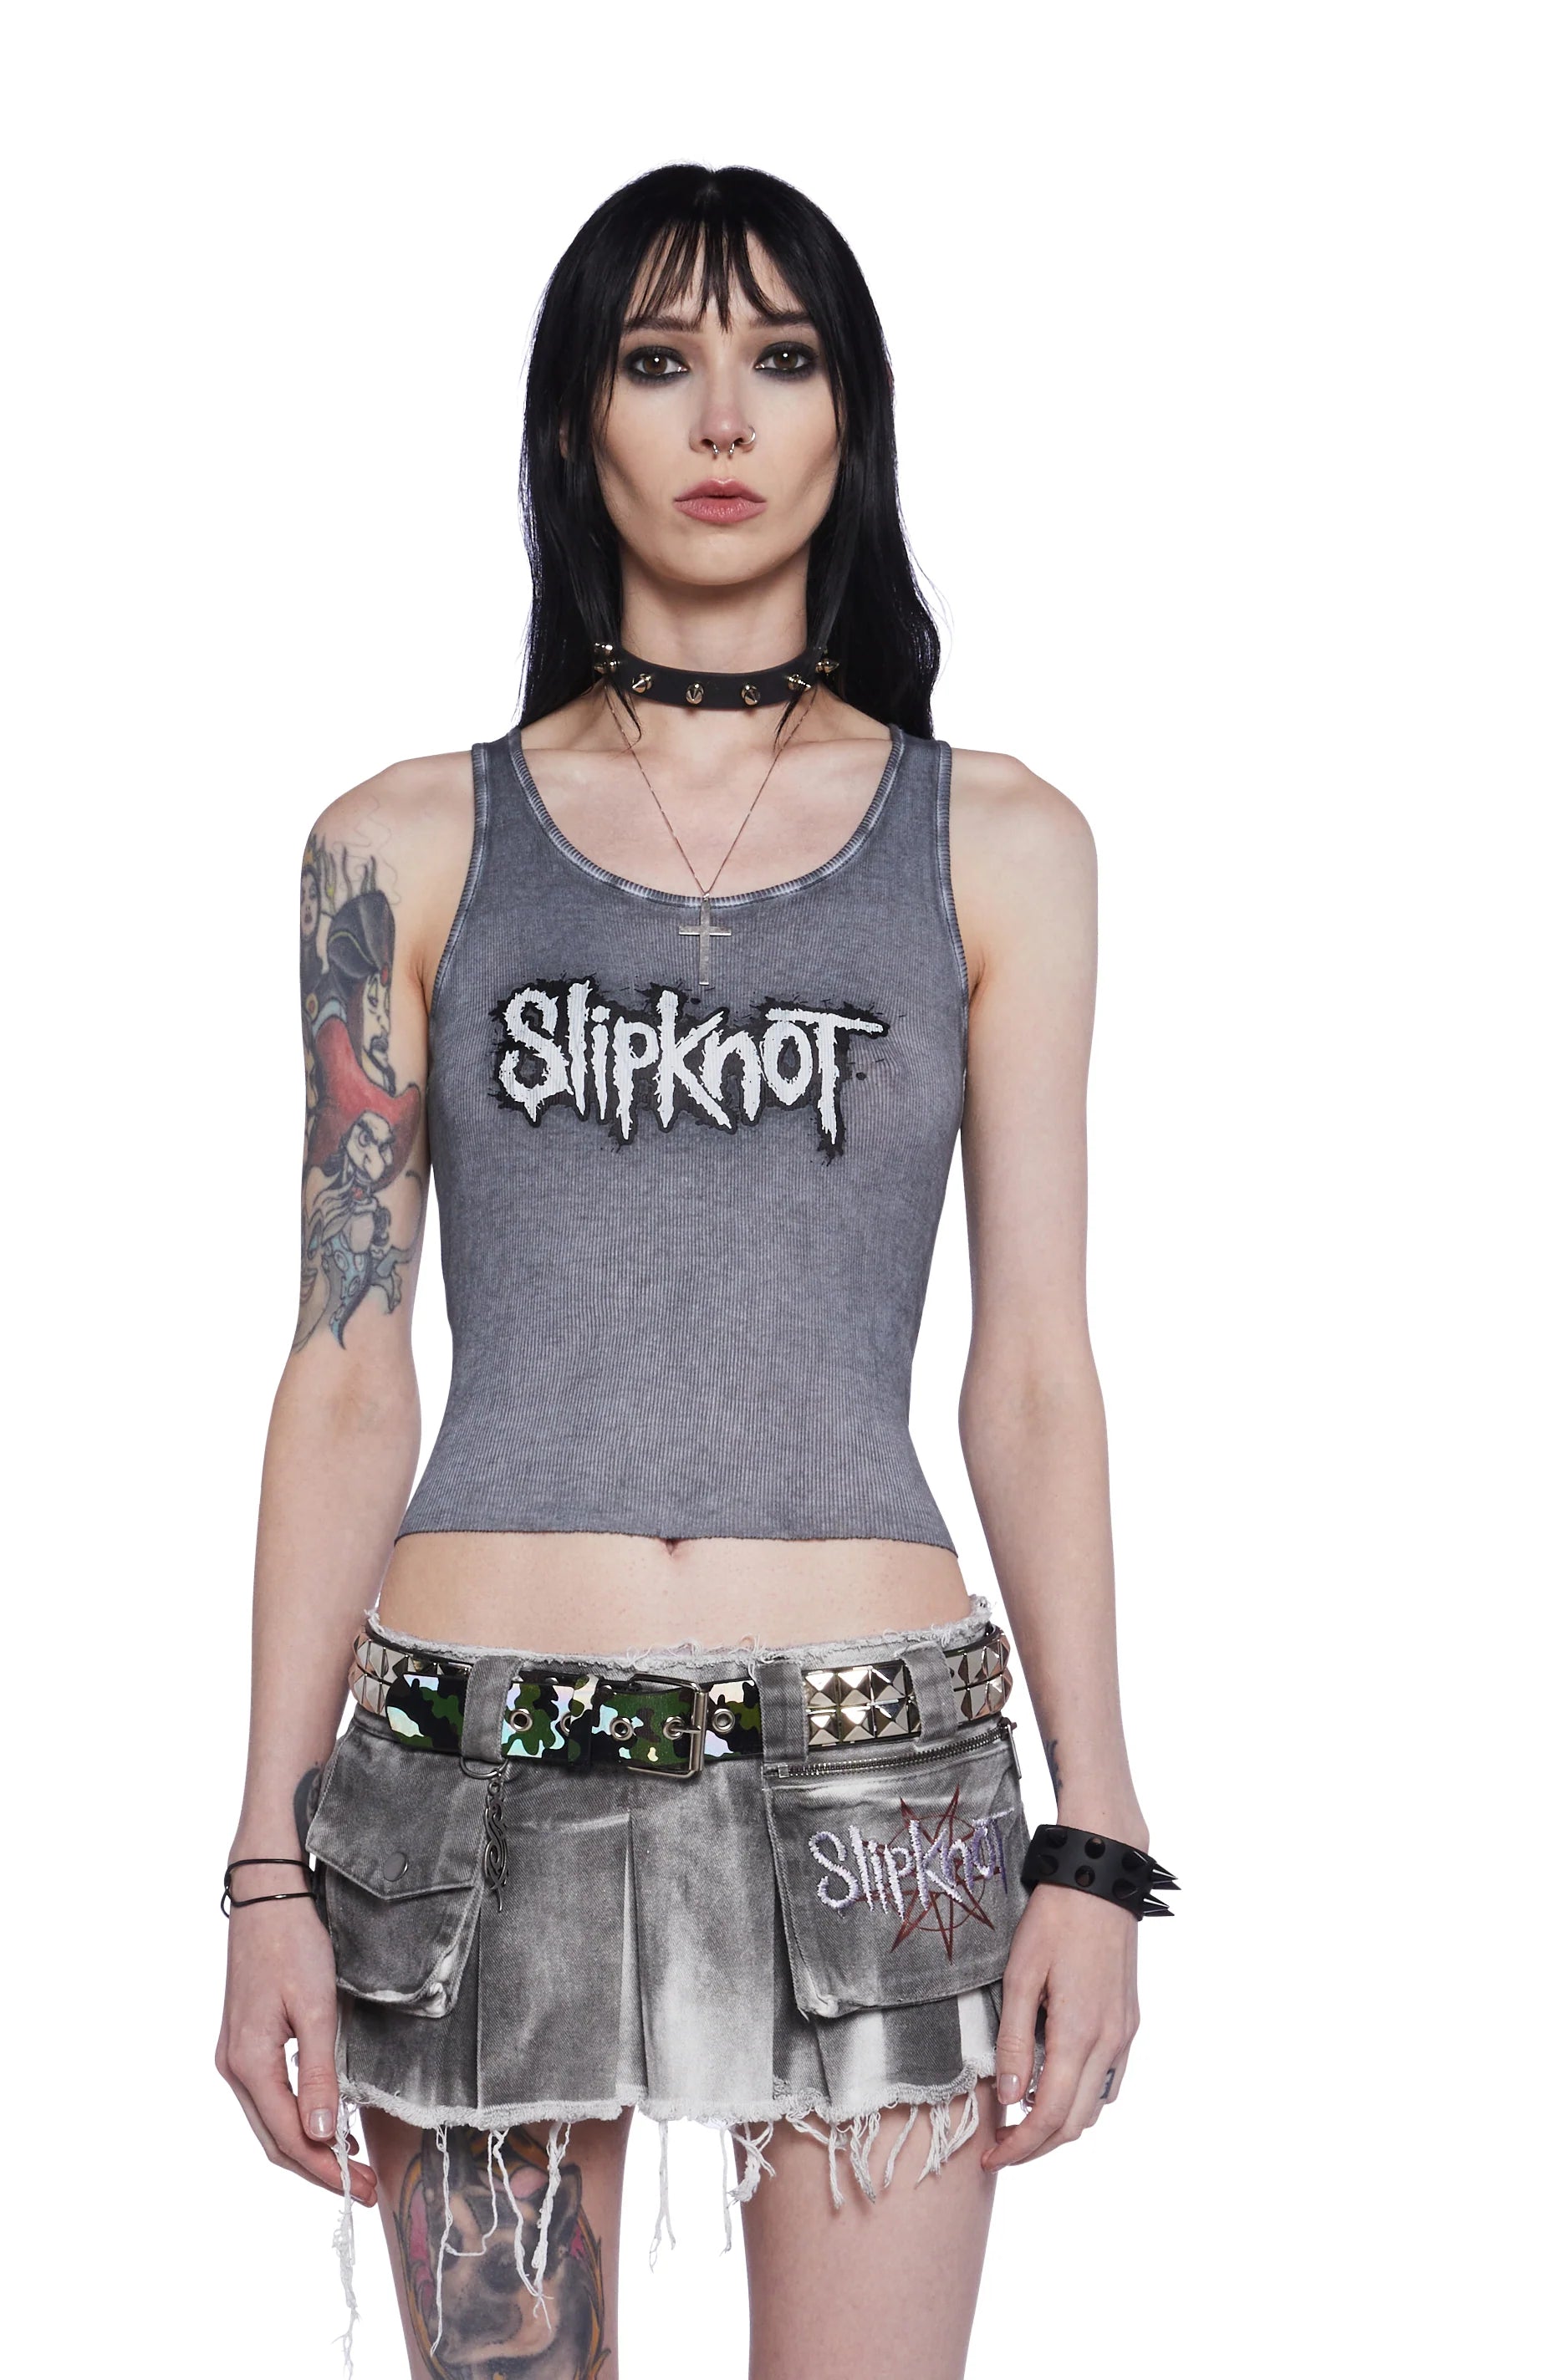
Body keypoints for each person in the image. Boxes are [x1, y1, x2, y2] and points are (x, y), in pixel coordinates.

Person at [217, 162, 1171, 2380]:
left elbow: (1033, 1366)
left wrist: (1098, 1833)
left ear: (854, 417)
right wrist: (267, 1857)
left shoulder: (1000, 843)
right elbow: (345, 1363)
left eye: (782, 358)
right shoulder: (397, 848)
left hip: (884, 1798)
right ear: (580, 420)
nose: (723, 416)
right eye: (660, 360)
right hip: (466, 1784)